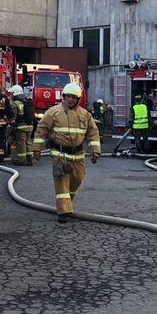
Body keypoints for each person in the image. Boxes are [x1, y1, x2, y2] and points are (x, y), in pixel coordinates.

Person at [33, 82, 102, 223]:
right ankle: (64, 212)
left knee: (77, 180)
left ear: (78, 99)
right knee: (62, 181)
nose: (70, 99)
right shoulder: (53, 112)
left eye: (73, 97)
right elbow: (41, 130)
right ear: (63, 97)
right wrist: (37, 149)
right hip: (60, 154)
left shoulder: (85, 114)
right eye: (68, 97)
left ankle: (66, 203)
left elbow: (93, 133)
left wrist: (96, 150)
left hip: (77, 154)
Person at [8, 84, 35, 166]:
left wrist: (10, 127)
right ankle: (29, 160)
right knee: (28, 142)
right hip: (30, 126)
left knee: (21, 143)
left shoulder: (15, 103)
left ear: (15, 93)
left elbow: (13, 117)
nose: (11, 95)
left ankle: (22, 161)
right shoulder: (27, 100)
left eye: (11, 94)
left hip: (21, 126)